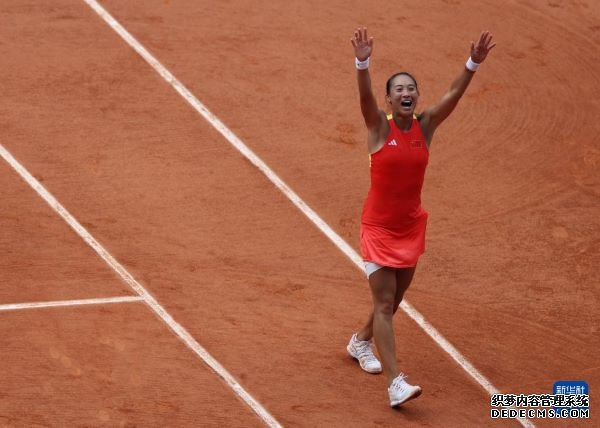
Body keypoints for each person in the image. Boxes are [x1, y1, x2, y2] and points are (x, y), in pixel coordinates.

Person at [346, 27, 495, 407]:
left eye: (411, 88)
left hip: (410, 226)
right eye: (398, 89)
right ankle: (396, 382)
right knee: (383, 303)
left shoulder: (426, 127)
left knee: (393, 301)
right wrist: (362, 62)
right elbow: (364, 98)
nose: (406, 93)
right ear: (389, 99)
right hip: (378, 229)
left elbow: (453, 95)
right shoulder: (380, 127)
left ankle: (360, 341)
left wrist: (473, 62)